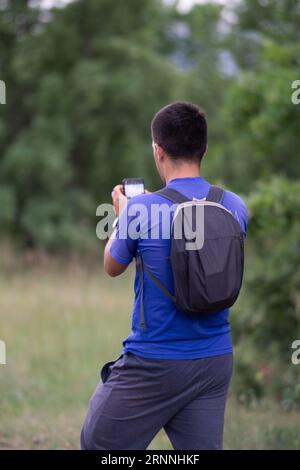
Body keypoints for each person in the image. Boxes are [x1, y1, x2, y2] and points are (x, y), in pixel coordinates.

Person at [80, 101, 248, 450]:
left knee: (97, 444)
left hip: (154, 360)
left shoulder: (141, 208)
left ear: (158, 150)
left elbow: (112, 266)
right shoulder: (234, 205)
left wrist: (123, 216)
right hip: (215, 360)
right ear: (204, 147)